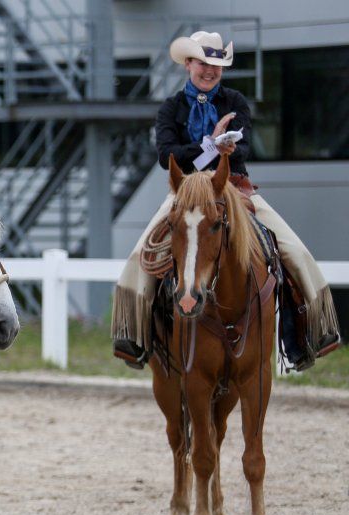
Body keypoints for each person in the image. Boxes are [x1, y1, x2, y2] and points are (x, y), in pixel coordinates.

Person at [112, 31, 340, 370]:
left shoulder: (235, 101)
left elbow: (242, 150)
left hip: (233, 189)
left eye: (216, 65)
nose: (209, 70)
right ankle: (135, 337)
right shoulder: (171, 107)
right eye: (203, 63)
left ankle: (308, 335)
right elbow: (166, 156)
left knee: (293, 249)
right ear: (188, 64)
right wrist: (211, 146)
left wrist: (220, 149)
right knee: (141, 255)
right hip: (185, 193)